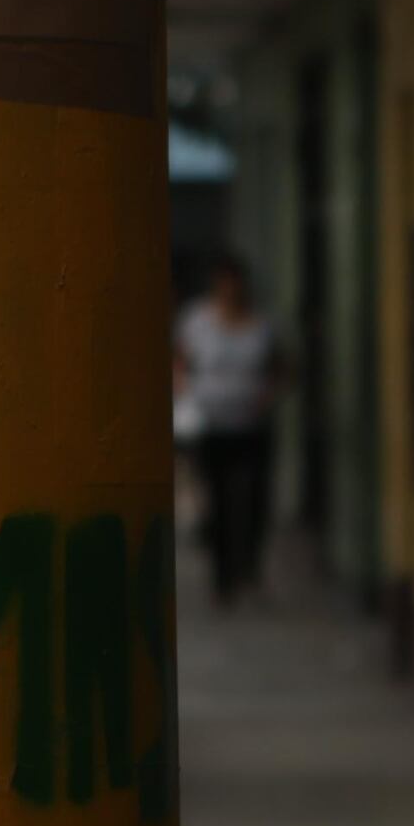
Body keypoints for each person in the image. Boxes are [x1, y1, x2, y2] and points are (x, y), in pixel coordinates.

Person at [174, 256, 285, 608]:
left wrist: (268, 395)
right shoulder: (197, 321)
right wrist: (184, 391)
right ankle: (223, 579)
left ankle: (248, 568)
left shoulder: (261, 325)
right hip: (211, 425)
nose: (230, 289)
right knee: (218, 501)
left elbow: (280, 367)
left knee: (252, 499)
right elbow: (180, 361)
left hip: (251, 425)